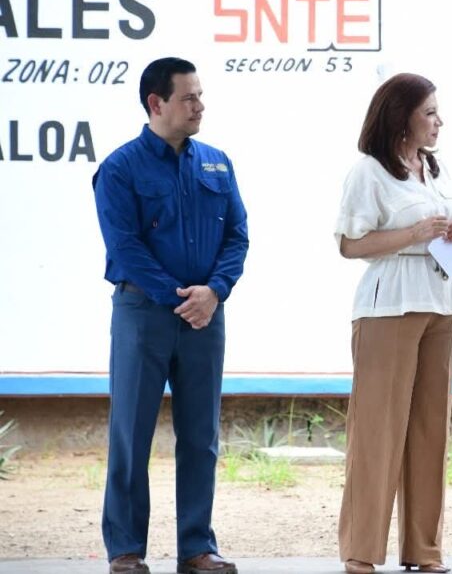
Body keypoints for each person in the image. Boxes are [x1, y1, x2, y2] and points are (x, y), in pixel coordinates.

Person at [93, 57, 249, 574]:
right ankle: (125, 549)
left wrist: (215, 292)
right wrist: (182, 297)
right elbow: (125, 245)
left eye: (200, 96)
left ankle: (197, 547)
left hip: (205, 315)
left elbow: (237, 236)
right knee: (131, 432)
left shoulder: (217, 163)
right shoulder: (119, 168)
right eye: (189, 97)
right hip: (144, 313)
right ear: (156, 103)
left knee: (201, 436)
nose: (200, 106)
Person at [334, 72, 452, 574]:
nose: (439, 121)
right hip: (389, 304)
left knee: (431, 430)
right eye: (429, 112)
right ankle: (361, 551)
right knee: (378, 431)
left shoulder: (435, 167)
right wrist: (412, 233)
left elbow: (443, 227)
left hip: (442, 298)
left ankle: (424, 550)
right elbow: (350, 244)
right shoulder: (369, 171)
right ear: (402, 117)